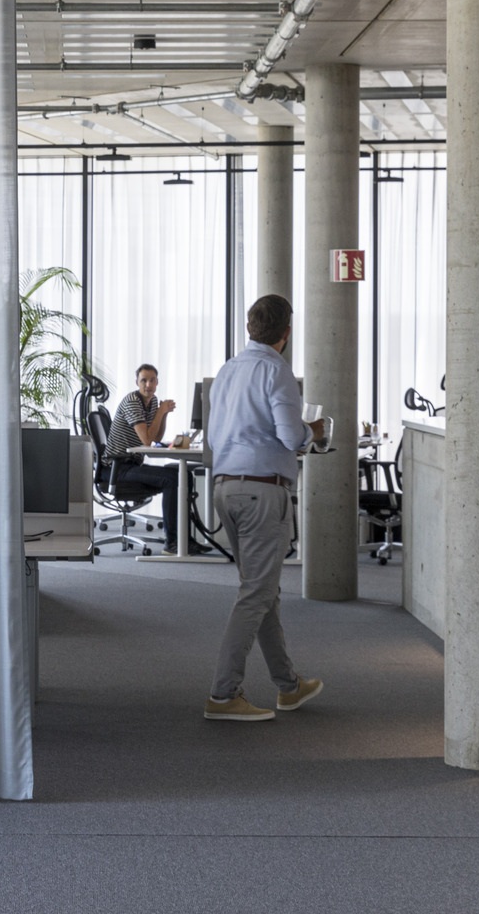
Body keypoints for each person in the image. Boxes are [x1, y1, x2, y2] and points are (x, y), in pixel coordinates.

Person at [200, 294, 327, 722]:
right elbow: (291, 436)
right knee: (256, 594)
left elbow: (213, 438)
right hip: (261, 492)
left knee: (263, 590)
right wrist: (314, 432)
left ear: (249, 328)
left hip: (225, 488)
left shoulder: (227, 371)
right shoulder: (277, 371)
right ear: (286, 333)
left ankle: (288, 686)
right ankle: (223, 695)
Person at [104, 363, 188, 555]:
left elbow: (156, 438)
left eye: (152, 380)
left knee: (183, 476)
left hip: (131, 465)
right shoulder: (133, 401)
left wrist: (163, 414)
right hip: (117, 468)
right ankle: (172, 542)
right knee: (172, 479)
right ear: (137, 382)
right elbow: (148, 441)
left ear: (157, 383)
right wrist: (161, 411)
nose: (148, 385)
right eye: (144, 380)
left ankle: (185, 540)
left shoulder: (152, 402)